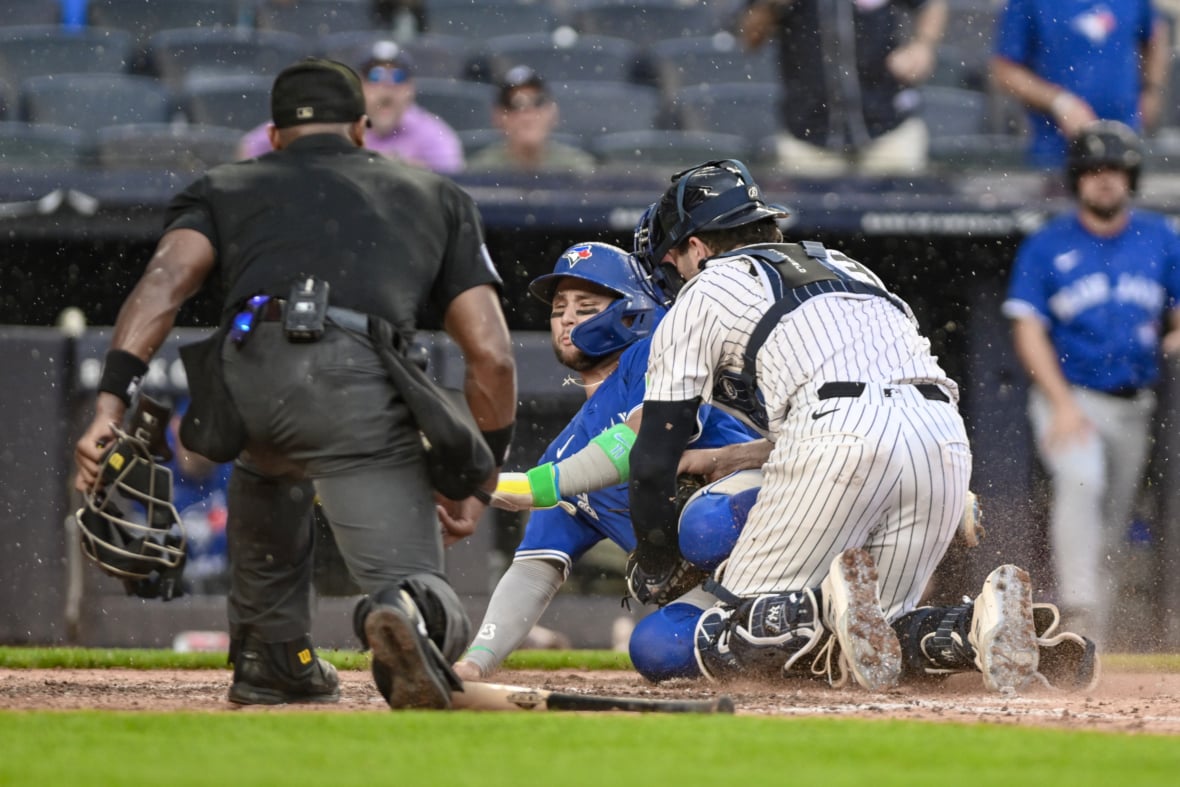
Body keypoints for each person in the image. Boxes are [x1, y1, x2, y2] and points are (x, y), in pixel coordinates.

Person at [74, 58, 517, 709]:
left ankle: (271, 656)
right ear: (363, 130)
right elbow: (494, 354)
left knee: (267, 466)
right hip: (355, 382)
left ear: (274, 135)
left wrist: (109, 402)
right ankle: (400, 607)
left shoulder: (223, 184)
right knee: (424, 599)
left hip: (245, 377)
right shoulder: (435, 194)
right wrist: (478, 473)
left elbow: (163, 286)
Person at [625, 158, 1044, 693]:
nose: (676, 272)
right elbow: (877, 393)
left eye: (675, 258)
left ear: (699, 247)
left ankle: (816, 609)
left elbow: (655, 453)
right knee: (877, 642)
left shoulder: (707, 286)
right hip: (944, 439)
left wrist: (657, 549)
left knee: (688, 643)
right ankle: (967, 629)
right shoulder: (851, 267)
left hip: (838, 437)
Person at [451, 241, 761, 681]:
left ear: (632, 308)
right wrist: (475, 663)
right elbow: (534, 570)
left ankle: (821, 585)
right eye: (559, 307)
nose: (568, 318)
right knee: (657, 650)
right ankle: (799, 640)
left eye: (586, 305)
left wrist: (523, 486)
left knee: (703, 527)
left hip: (775, 515)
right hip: (723, 588)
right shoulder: (563, 454)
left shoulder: (664, 352)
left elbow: (640, 439)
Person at [1003, 121, 1180, 647]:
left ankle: (1090, 647)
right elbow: (1028, 328)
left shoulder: (1160, 236)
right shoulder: (1048, 244)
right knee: (1082, 483)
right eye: (1095, 171)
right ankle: (1078, 608)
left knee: (1113, 521)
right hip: (1071, 394)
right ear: (1077, 179)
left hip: (1134, 402)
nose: (1105, 181)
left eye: (1116, 171)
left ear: (1132, 178)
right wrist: (1060, 404)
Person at [739, 0, 947, 176]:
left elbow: (931, 4)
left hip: (888, 129)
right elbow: (749, 39)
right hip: (808, 137)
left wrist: (923, 46)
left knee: (900, 218)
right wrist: (771, 6)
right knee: (807, 222)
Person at [990, 0, 1169, 171]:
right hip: (1056, 152)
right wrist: (1059, 102)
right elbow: (1004, 71)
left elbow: (1155, 35)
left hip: (1124, 145)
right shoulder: (1029, 3)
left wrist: (1151, 90)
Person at [237, 40, 465, 174]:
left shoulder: (432, 133)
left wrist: (408, 170)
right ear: (357, 86)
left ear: (410, 89)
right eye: (375, 76)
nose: (386, 87)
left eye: (397, 76)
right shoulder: (330, 118)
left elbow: (452, 184)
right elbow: (249, 149)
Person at [464, 65, 597, 176]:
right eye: (513, 105)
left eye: (538, 102)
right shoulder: (479, 172)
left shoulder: (578, 169)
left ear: (553, 113)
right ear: (497, 117)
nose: (527, 114)